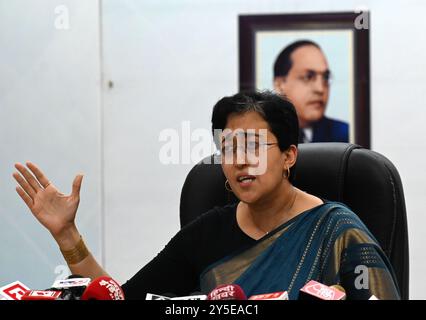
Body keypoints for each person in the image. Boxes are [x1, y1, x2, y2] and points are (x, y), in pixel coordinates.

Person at [12, 91, 399, 300]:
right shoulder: (208, 232)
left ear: (288, 156)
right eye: (228, 149)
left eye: (252, 147)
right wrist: (68, 237)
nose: (239, 161)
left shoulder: (338, 230)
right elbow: (118, 300)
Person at [273, 40, 349, 143]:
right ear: (279, 85)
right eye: (308, 77)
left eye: (325, 77)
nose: (320, 89)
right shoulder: (263, 135)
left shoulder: (344, 134)